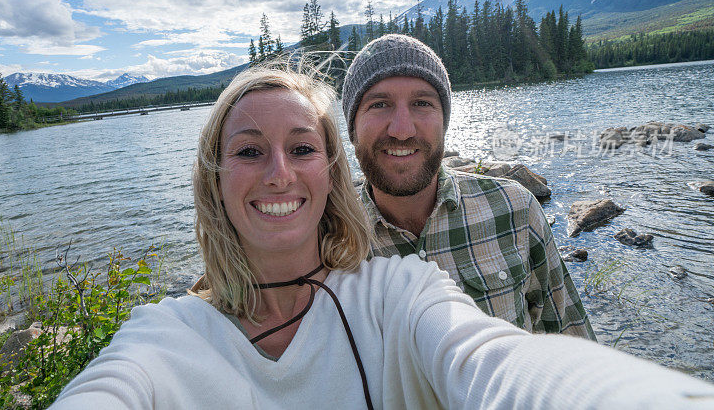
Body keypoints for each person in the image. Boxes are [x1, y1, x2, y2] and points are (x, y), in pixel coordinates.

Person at [51, 66, 714, 409]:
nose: (279, 172)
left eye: (302, 147)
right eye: (250, 151)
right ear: (213, 179)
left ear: (329, 170)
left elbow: (499, 360)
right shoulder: (163, 339)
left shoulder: (399, 292)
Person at [342, 34, 594, 339]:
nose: (402, 130)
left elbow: (572, 341)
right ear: (352, 128)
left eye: (422, 103)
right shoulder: (330, 239)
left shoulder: (516, 209)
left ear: (445, 123)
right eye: (379, 104)